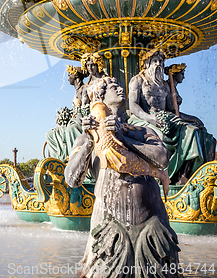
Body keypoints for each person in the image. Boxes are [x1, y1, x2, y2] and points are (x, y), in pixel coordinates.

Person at [65, 77, 180, 278]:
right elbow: (71, 179)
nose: (120, 88)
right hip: (110, 228)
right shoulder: (86, 136)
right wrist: (91, 142)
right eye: (112, 86)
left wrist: (123, 137)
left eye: (119, 85)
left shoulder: (143, 132)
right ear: (101, 95)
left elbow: (162, 160)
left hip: (152, 224)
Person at [128, 50, 216, 184]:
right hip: (143, 118)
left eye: (161, 62)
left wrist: (192, 119)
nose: (159, 64)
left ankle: (184, 176)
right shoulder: (138, 81)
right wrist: (150, 118)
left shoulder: (164, 84)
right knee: (160, 138)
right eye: (155, 61)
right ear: (147, 63)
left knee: (193, 133)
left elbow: (172, 109)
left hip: (166, 117)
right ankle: (158, 176)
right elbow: (133, 106)